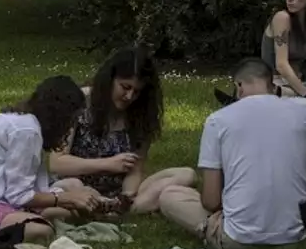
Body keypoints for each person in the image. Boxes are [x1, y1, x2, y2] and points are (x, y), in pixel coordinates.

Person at [158, 59, 306, 249]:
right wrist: (302, 202)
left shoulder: (218, 120)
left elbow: (211, 201)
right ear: (273, 87)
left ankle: (222, 229)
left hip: (236, 239)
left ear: (238, 87)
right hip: (300, 238)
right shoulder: (305, 113)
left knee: (169, 195)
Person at [0, 76, 103, 245]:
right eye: (72, 120)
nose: (71, 128)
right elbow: (20, 196)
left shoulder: (20, 123)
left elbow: (27, 189)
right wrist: (69, 199)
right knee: (42, 230)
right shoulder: (27, 132)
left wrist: (72, 197)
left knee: (73, 185)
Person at [49, 48, 196, 214]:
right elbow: (57, 163)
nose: (129, 96)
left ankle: (119, 207)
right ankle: (102, 205)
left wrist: (126, 195)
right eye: (125, 87)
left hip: (117, 192)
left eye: (137, 91)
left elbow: (135, 171)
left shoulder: (140, 116)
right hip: (76, 186)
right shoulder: (79, 102)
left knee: (186, 174)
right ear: (110, 80)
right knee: (72, 186)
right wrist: (108, 164)